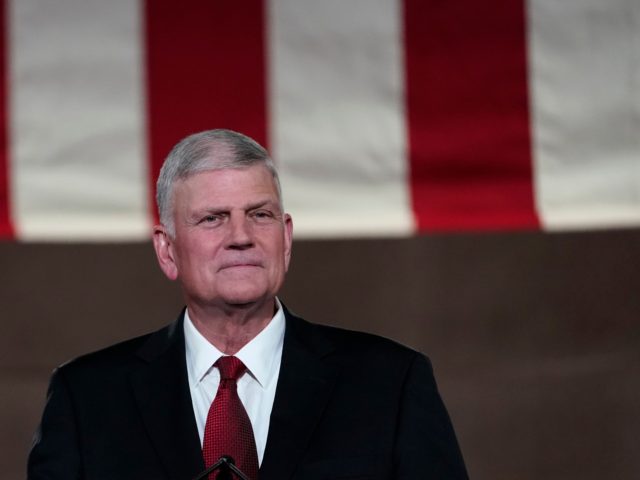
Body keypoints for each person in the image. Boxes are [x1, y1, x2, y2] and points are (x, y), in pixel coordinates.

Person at [27, 129, 468, 479]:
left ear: (286, 238)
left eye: (260, 214)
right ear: (167, 251)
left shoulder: (391, 384)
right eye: (213, 218)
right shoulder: (86, 398)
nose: (241, 236)